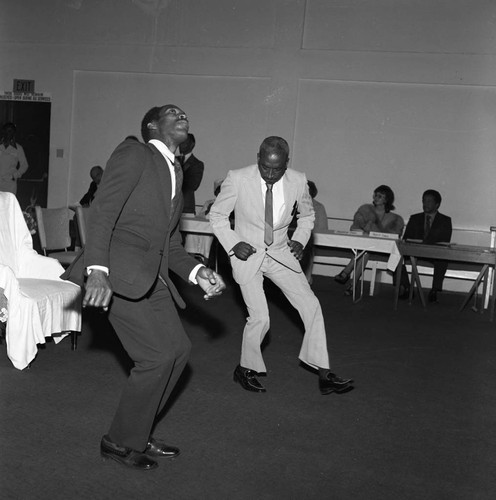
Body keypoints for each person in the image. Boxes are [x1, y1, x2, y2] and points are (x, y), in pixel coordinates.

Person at [69, 104, 226, 471]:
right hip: (116, 273)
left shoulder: (176, 171)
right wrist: (96, 270)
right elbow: (102, 212)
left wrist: (197, 273)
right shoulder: (135, 153)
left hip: (151, 277)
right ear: (153, 126)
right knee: (155, 356)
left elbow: (169, 245)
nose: (183, 114)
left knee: (178, 350)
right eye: (173, 112)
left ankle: (138, 431)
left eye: (185, 111)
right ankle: (119, 442)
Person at [209, 136, 353, 396]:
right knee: (260, 317)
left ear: (287, 163)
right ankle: (245, 368)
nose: (271, 174)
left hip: (280, 255)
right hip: (247, 255)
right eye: (265, 167)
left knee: (312, 306)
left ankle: (323, 372)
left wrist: (299, 240)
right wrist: (233, 244)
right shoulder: (238, 178)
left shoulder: (298, 181)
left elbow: (307, 216)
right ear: (258, 158)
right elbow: (217, 216)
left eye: (278, 168)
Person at [334, 185, 404, 294]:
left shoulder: (395, 219)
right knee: (366, 251)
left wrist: (373, 231)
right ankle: (353, 285)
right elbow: (354, 227)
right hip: (363, 245)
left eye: (380, 196)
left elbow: (394, 235)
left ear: (386, 200)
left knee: (366, 249)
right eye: (375, 195)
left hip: (382, 248)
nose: (376, 198)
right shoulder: (365, 210)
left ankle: (346, 272)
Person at [401, 189, 452, 302]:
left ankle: (434, 290)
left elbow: (444, 241)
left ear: (437, 204)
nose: (425, 204)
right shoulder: (415, 218)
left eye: (429, 201)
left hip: (433, 253)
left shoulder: (445, 220)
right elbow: (406, 238)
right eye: (424, 201)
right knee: (396, 256)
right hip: (414, 251)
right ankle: (406, 287)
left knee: (442, 260)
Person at [300, 180, 328, 283]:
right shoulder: (292, 205)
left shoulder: (319, 207)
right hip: (291, 238)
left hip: (310, 239)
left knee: (307, 247)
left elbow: (323, 229)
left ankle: (305, 280)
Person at [176, 133, 204, 215]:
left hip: (186, 206)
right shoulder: (174, 160)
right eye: (180, 142)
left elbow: (193, 185)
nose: (180, 145)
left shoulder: (197, 164)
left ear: (191, 145)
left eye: (184, 142)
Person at [0, 122, 29, 195]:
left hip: (9, 182)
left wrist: (15, 176)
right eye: (7, 131)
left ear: (14, 133)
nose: (8, 133)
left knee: (9, 204)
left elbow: (24, 165)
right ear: (3, 132)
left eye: (11, 131)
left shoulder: (18, 148)